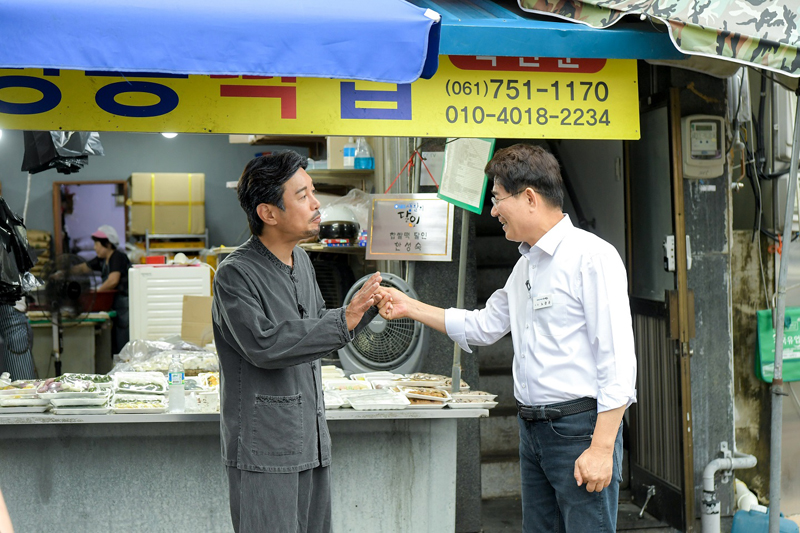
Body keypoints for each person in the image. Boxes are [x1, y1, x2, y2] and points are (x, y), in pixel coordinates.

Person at [376, 144, 637, 533]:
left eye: (497, 199)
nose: (493, 210)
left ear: (529, 197)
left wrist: (601, 449)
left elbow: (617, 360)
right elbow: (483, 325)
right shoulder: (525, 265)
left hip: (579, 430)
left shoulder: (592, 257)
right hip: (533, 431)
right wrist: (408, 307)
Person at [211, 151, 383, 533]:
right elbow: (266, 344)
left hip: (312, 437)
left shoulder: (301, 260)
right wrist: (345, 318)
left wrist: (368, 309)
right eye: (302, 195)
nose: (316, 203)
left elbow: (316, 328)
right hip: (265, 445)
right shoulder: (234, 274)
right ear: (269, 213)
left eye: (313, 191)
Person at [74, 225, 131, 355]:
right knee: (117, 346)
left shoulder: (117, 257)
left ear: (108, 244)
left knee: (124, 345)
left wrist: (96, 293)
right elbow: (84, 268)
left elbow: (113, 280)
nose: (95, 248)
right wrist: (63, 271)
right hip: (117, 308)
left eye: (97, 244)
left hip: (126, 308)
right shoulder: (103, 260)